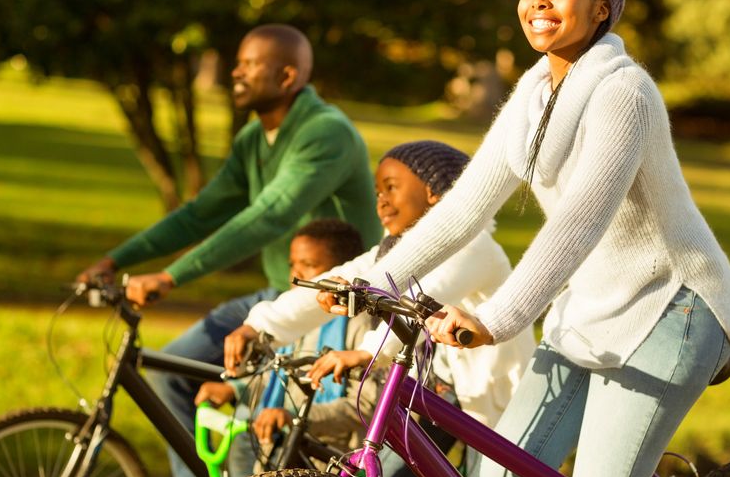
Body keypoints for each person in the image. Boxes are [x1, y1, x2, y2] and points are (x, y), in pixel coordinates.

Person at [349, 0, 730, 477]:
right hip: (591, 309)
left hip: (672, 309)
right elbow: (464, 207)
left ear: (601, 7)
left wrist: (496, 319)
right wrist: (370, 282)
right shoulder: (535, 93)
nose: (539, 2)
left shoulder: (625, 93)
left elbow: (579, 221)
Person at [77, 24, 382, 477]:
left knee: (254, 411)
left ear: (287, 76)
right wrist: (118, 259)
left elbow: (268, 215)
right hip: (276, 293)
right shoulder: (254, 139)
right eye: (237, 63)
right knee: (170, 371)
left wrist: (172, 276)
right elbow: (201, 213)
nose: (236, 72)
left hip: (327, 305)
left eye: (250, 64)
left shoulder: (326, 133)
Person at [224, 141, 535, 451]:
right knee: (386, 474)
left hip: (498, 401)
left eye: (391, 187)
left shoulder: (475, 246)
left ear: (434, 192)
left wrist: (366, 353)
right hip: (440, 393)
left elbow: (423, 299)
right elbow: (346, 278)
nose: (381, 202)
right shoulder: (395, 251)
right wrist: (260, 326)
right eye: (378, 193)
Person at [193, 218, 373, 474]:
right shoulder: (292, 319)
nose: (295, 276)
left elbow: (366, 406)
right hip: (279, 444)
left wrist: (295, 418)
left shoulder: (360, 324)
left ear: (342, 271)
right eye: (292, 265)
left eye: (309, 265)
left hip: (330, 459)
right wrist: (235, 389)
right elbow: (276, 376)